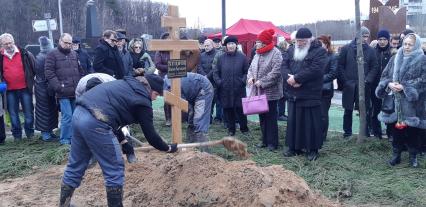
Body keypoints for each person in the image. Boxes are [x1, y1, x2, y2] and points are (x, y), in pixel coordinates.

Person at [59, 73, 178, 207]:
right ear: (152, 91)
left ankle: (64, 204)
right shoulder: (142, 102)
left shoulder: (126, 85)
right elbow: (151, 136)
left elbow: (110, 115)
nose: (156, 99)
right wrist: (167, 148)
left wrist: (123, 142)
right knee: (114, 168)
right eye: (157, 95)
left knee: (75, 164)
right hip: (96, 123)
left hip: (79, 114)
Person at [375, 33, 426, 168]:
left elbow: (424, 80)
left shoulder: (422, 59)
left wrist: (405, 87)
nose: (407, 47)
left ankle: (413, 156)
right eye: (405, 44)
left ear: (416, 45)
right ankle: (396, 155)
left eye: (410, 44)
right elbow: (385, 76)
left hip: (413, 104)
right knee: (396, 131)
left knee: (413, 131)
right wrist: (388, 84)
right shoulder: (394, 58)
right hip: (395, 102)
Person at [281, 28, 328, 161]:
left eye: (302, 41)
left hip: (310, 93)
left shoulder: (319, 51)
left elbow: (316, 69)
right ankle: (293, 147)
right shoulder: (291, 50)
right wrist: (289, 78)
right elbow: (283, 65)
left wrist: (297, 79)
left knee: (311, 123)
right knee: (294, 122)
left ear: (310, 40)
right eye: (297, 41)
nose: (299, 43)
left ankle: (312, 149)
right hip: (293, 92)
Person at [75, 72, 136, 163]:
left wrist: (122, 134)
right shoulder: (80, 90)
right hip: (88, 100)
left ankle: (129, 149)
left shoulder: (113, 87)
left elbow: (120, 113)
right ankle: (92, 152)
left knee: (117, 120)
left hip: (111, 96)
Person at [337, 26, 379, 138]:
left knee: (365, 110)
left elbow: (375, 67)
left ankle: (365, 133)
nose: (365, 39)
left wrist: (367, 80)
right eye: (363, 36)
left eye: (367, 36)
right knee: (348, 110)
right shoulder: (346, 49)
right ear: (357, 35)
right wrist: (345, 81)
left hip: (364, 85)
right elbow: (340, 66)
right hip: (349, 85)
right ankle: (347, 133)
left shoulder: (370, 50)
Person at [45, 33, 85, 145]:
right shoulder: (52, 54)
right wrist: (58, 87)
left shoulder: (74, 54)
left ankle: (73, 138)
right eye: (66, 42)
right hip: (62, 92)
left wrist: (82, 83)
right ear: (60, 41)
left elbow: (80, 70)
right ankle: (65, 140)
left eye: (70, 43)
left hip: (75, 91)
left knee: (75, 116)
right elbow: (49, 73)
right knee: (67, 116)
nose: (68, 45)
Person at [247, 29, 283, 151]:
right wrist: (251, 77)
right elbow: (251, 68)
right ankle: (264, 140)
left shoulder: (276, 53)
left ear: (264, 43)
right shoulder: (257, 53)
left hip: (271, 92)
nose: (256, 44)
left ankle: (273, 143)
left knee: (271, 118)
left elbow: (276, 72)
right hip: (258, 91)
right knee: (262, 117)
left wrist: (262, 82)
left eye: (258, 41)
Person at [164, 72, 214, 150]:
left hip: (203, 89)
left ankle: (204, 150)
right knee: (191, 119)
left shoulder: (171, 87)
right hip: (191, 91)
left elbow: (181, 105)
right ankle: (191, 147)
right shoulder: (166, 84)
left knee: (199, 120)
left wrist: (178, 119)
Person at [0, 33, 35, 141]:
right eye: (6, 44)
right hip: (9, 91)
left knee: (28, 113)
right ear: (1, 45)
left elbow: (33, 68)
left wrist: (32, 82)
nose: (9, 45)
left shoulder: (24, 53)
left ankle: (30, 133)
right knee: (13, 114)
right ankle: (17, 136)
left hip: (25, 88)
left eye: (10, 43)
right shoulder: (0, 56)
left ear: (14, 42)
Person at [213, 36, 249, 136]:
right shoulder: (221, 58)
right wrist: (220, 82)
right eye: (229, 44)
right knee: (228, 110)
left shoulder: (242, 57)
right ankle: (231, 129)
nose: (231, 46)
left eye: (233, 43)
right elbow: (216, 72)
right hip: (225, 89)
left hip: (239, 89)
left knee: (240, 110)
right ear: (226, 46)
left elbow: (247, 72)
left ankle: (244, 128)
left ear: (236, 45)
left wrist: (242, 81)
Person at [34, 36, 58, 142]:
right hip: (44, 87)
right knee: (45, 110)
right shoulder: (47, 57)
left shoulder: (39, 56)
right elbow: (49, 74)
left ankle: (49, 132)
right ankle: (46, 134)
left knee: (48, 110)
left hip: (42, 86)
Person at [371, 29, 393, 139]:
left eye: (384, 39)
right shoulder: (373, 52)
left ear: (388, 40)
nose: (382, 41)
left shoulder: (392, 53)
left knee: (389, 110)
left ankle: (390, 134)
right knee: (375, 110)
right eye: (380, 39)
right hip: (375, 86)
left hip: (389, 87)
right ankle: (377, 133)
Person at [317, 35, 338, 142]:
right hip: (314, 89)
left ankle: (322, 136)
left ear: (326, 44)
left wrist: (318, 78)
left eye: (321, 43)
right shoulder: (315, 56)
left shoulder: (332, 56)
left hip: (325, 89)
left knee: (323, 114)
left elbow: (333, 73)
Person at [154, 32, 172, 126]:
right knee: (167, 98)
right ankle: (168, 118)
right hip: (164, 77)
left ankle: (178, 117)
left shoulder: (174, 50)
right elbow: (157, 65)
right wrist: (171, 67)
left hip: (175, 76)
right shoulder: (159, 52)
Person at [197, 39, 217, 121]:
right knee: (206, 100)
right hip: (204, 80)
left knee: (214, 100)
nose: (206, 47)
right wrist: (204, 76)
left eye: (208, 45)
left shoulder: (217, 54)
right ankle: (208, 117)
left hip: (214, 80)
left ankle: (218, 117)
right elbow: (199, 66)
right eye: (205, 46)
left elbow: (215, 67)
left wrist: (207, 76)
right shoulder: (202, 55)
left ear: (212, 45)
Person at [276, 40, 289, 121]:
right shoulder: (284, 55)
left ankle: (280, 114)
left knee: (280, 97)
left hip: (279, 79)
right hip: (282, 79)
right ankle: (280, 114)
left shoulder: (277, 53)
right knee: (282, 97)